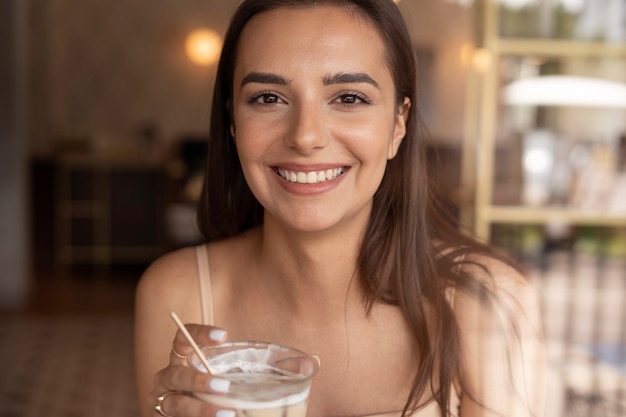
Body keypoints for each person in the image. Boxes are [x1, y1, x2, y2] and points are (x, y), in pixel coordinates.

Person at [134, 1, 547, 416]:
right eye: (268, 97)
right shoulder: (176, 294)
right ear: (233, 123)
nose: (306, 136)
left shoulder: (488, 301)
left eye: (349, 97)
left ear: (398, 124)